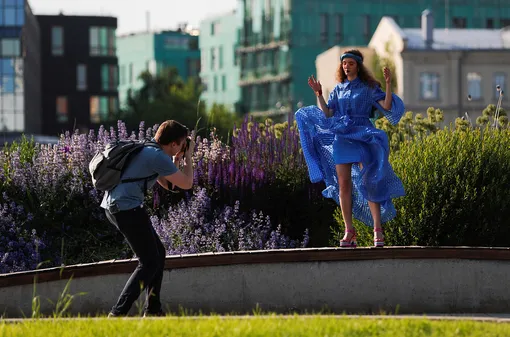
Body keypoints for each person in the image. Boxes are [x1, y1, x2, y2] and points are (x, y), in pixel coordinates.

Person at [294, 49, 406, 248]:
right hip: (342, 137)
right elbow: (328, 113)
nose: (347, 66)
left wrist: (388, 84)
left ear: (358, 66)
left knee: (370, 180)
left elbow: (387, 106)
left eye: (351, 63)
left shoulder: (369, 87)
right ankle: (349, 230)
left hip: (363, 135)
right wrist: (319, 94)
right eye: (344, 63)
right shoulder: (338, 89)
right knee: (343, 184)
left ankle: (377, 229)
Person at [102, 120, 195, 317]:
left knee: (158, 254)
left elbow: (168, 185)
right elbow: (186, 183)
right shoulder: (157, 156)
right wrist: (189, 156)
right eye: (182, 143)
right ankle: (116, 314)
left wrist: (177, 158)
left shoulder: (149, 148)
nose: (183, 147)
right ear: (173, 144)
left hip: (116, 206)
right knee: (149, 262)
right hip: (126, 208)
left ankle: (153, 309)